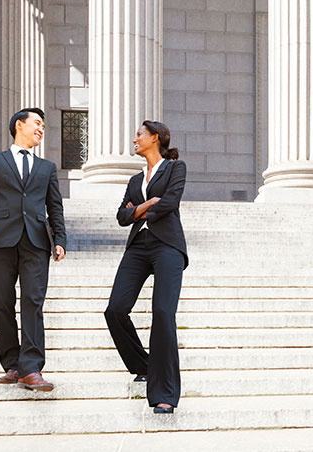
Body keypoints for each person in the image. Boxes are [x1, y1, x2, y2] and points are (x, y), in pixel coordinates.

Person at [0, 108, 67, 392]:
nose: (41, 129)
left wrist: (59, 238)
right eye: (36, 123)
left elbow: (55, 206)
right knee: (2, 303)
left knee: (33, 302)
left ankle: (32, 368)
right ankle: (12, 364)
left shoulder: (47, 168)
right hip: (0, 241)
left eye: (43, 125)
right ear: (19, 126)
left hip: (37, 242)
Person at [105, 120, 188, 414]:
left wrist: (138, 210)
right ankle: (142, 365)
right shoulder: (133, 180)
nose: (134, 139)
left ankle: (165, 393)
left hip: (168, 245)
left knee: (163, 313)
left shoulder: (176, 168)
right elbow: (121, 216)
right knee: (115, 309)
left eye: (139, 134)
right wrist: (145, 205)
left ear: (155, 138)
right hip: (138, 246)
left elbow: (170, 202)